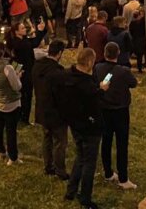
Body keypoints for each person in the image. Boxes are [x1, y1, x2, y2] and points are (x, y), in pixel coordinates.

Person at [59, 47, 109, 208]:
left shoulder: (67, 76)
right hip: (90, 128)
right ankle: (85, 197)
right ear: (88, 62)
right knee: (89, 163)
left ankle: (71, 191)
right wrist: (101, 90)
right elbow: (93, 105)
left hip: (74, 125)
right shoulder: (86, 84)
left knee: (80, 157)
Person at [94, 42, 138, 190]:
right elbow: (134, 84)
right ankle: (123, 178)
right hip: (120, 111)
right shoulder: (123, 71)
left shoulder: (98, 68)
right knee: (121, 144)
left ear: (105, 53)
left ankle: (108, 172)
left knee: (106, 142)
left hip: (104, 110)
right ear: (118, 53)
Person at [33, 40, 69, 180]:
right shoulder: (57, 72)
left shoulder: (37, 66)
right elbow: (62, 95)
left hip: (41, 109)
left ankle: (48, 166)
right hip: (55, 113)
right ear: (59, 53)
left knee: (47, 138)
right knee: (60, 142)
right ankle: (60, 170)